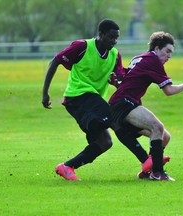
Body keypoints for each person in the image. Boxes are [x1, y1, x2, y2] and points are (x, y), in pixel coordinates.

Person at [42, 19, 125, 181]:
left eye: (116, 38)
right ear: (100, 34)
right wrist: (45, 93)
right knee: (115, 120)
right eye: (110, 37)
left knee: (105, 142)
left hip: (95, 101)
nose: (114, 41)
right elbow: (55, 61)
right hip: (78, 97)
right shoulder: (82, 46)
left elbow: (120, 79)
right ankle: (147, 161)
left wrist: (117, 82)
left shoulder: (115, 55)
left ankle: (67, 166)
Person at [109, 31, 183, 181]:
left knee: (164, 137)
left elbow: (124, 81)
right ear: (156, 49)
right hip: (123, 103)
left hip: (120, 104)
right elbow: (168, 91)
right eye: (167, 51)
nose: (169, 56)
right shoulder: (153, 61)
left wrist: (116, 82)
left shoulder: (140, 58)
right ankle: (158, 172)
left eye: (171, 53)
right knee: (158, 127)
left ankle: (148, 171)